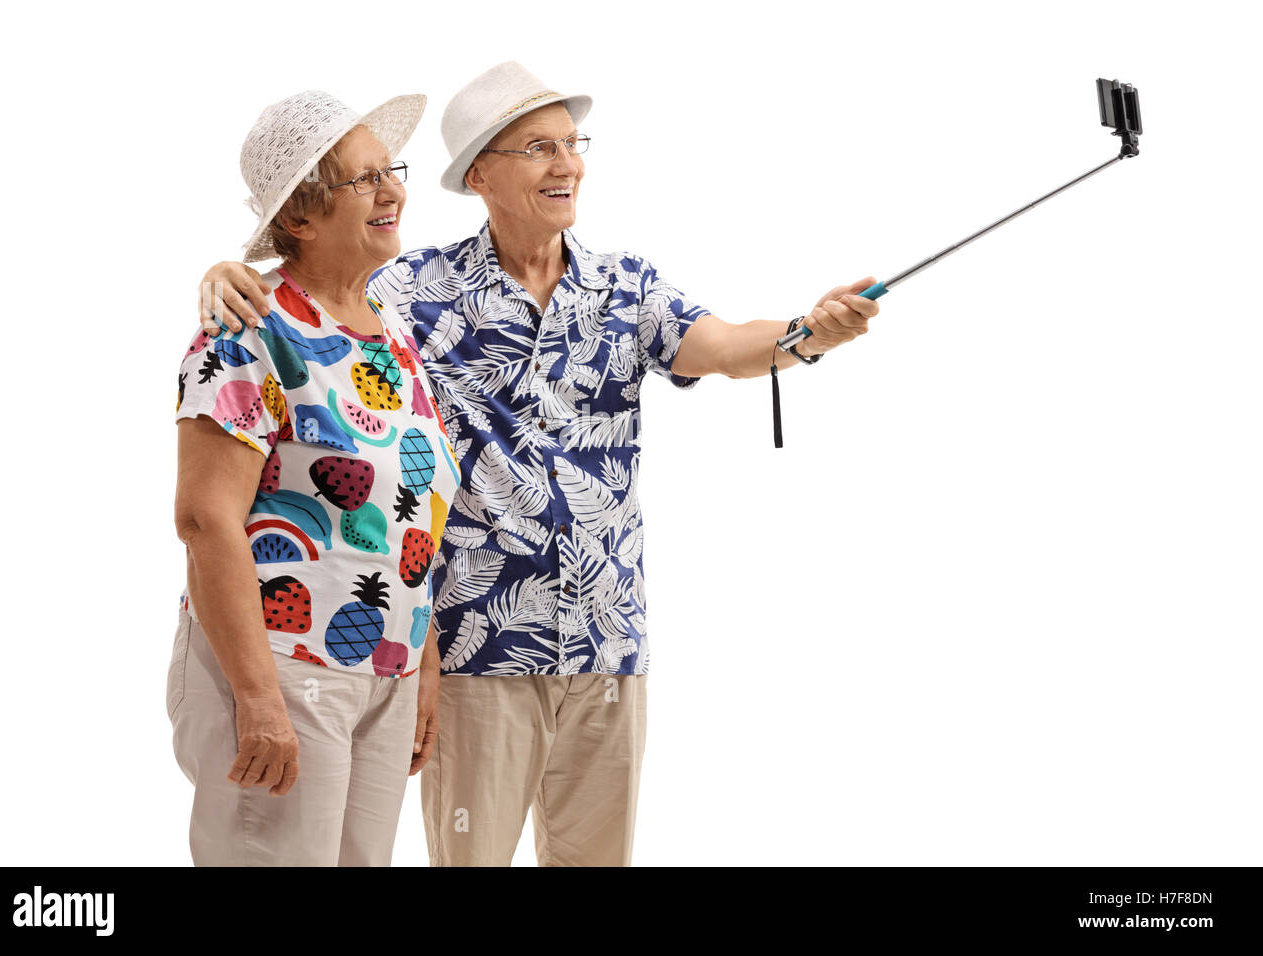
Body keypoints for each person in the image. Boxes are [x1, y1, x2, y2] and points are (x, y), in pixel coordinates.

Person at [199, 62, 878, 866]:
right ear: (480, 174)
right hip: (476, 650)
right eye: (538, 147)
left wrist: (810, 331)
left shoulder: (625, 288)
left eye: (571, 144)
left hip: (608, 650)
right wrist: (225, 274)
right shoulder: (410, 291)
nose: (568, 164)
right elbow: (313, 278)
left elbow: (728, 347)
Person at [171, 89, 460, 866]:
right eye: (364, 179)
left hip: (383, 670)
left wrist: (422, 662)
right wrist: (259, 697)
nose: (393, 190)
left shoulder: (390, 333)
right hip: (283, 665)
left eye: (389, 171)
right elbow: (205, 519)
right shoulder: (248, 326)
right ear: (299, 215)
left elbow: (413, 513)